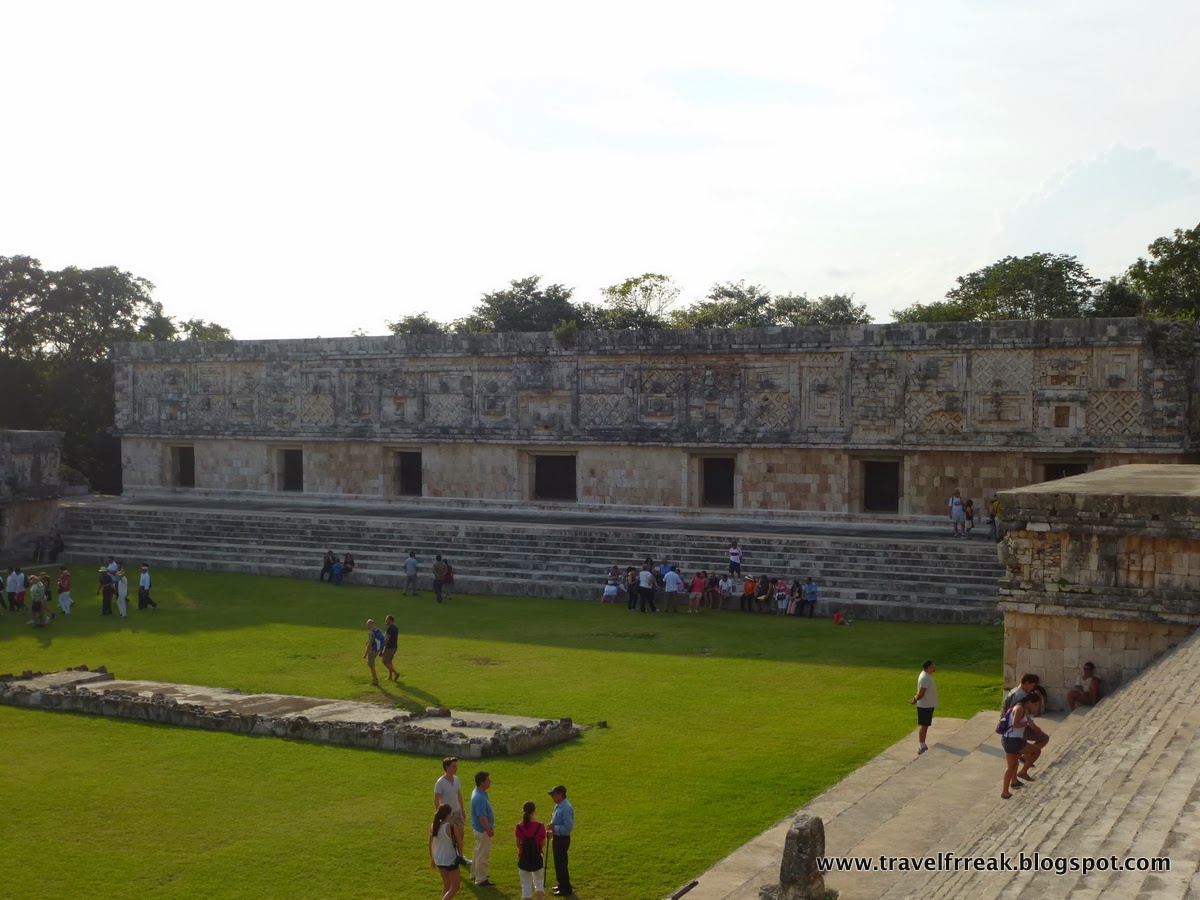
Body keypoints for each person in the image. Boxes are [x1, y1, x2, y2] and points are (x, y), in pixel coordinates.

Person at [1000, 693, 1035, 800]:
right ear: (1030, 702)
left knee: (1013, 764)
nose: (1035, 707)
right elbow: (1015, 724)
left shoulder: (1020, 708)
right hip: (1012, 740)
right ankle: (1022, 773)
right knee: (1035, 752)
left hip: (1014, 739)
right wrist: (1027, 724)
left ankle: (1009, 788)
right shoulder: (1020, 709)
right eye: (1035, 704)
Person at [430, 803, 463, 900]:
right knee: (455, 887)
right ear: (448, 814)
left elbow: (430, 843)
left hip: (439, 859)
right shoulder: (450, 827)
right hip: (450, 860)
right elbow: (460, 842)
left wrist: (432, 858)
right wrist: (461, 855)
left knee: (446, 885)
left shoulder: (434, 825)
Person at [546, 785, 574, 896]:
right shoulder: (558, 806)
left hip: (562, 839)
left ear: (560, 794)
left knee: (561, 863)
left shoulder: (566, 808)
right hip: (558, 837)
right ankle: (561, 884)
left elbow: (568, 827)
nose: (552, 797)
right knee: (558, 862)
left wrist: (554, 828)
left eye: (553, 795)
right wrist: (552, 829)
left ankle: (566, 888)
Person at [515, 800, 547, 900]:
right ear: (534, 810)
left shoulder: (519, 827)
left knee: (526, 886)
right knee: (539, 883)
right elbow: (542, 843)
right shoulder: (540, 826)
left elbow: (518, 844)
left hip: (524, 858)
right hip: (537, 857)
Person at [470, 771, 496, 886]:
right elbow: (482, 817)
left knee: (477, 852)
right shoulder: (480, 797)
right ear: (482, 783)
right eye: (488, 780)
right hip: (483, 830)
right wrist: (489, 830)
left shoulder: (478, 792)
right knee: (482, 855)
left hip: (478, 829)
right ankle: (481, 879)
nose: (490, 781)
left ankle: (475, 873)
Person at [910, 660, 937, 754]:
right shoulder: (925, 678)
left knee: (925, 725)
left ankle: (922, 745)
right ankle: (921, 746)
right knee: (924, 725)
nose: (934, 667)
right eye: (932, 666)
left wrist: (915, 699)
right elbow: (921, 692)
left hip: (927, 705)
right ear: (929, 667)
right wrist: (915, 699)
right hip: (925, 706)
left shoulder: (926, 676)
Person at [435, 757, 467, 833]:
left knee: (461, 833)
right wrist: (440, 815)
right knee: (450, 835)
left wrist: (462, 811)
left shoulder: (456, 779)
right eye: (454, 766)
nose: (456, 768)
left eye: (456, 766)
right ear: (447, 767)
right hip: (447, 815)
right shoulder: (440, 782)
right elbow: (436, 800)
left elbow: (459, 795)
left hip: (457, 812)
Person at [363, 619, 384, 686]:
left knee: (371, 665)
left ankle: (375, 681)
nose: (367, 626)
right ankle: (375, 679)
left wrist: (365, 654)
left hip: (372, 650)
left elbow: (370, 644)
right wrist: (381, 650)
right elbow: (382, 641)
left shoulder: (372, 632)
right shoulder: (378, 630)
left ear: (371, 624)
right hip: (377, 649)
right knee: (371, 664)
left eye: (368, 625)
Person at [381, 614, 400, 681]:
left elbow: (387, 640)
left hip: (389, 648)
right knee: (389, 661)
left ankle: (395, 673)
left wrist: (381, 648)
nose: (385, 621)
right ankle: (390, 677)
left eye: (386, 619)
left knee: (385, 661)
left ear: (390, 620)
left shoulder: (390, 628)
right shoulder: (395, 627)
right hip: (394, 647)